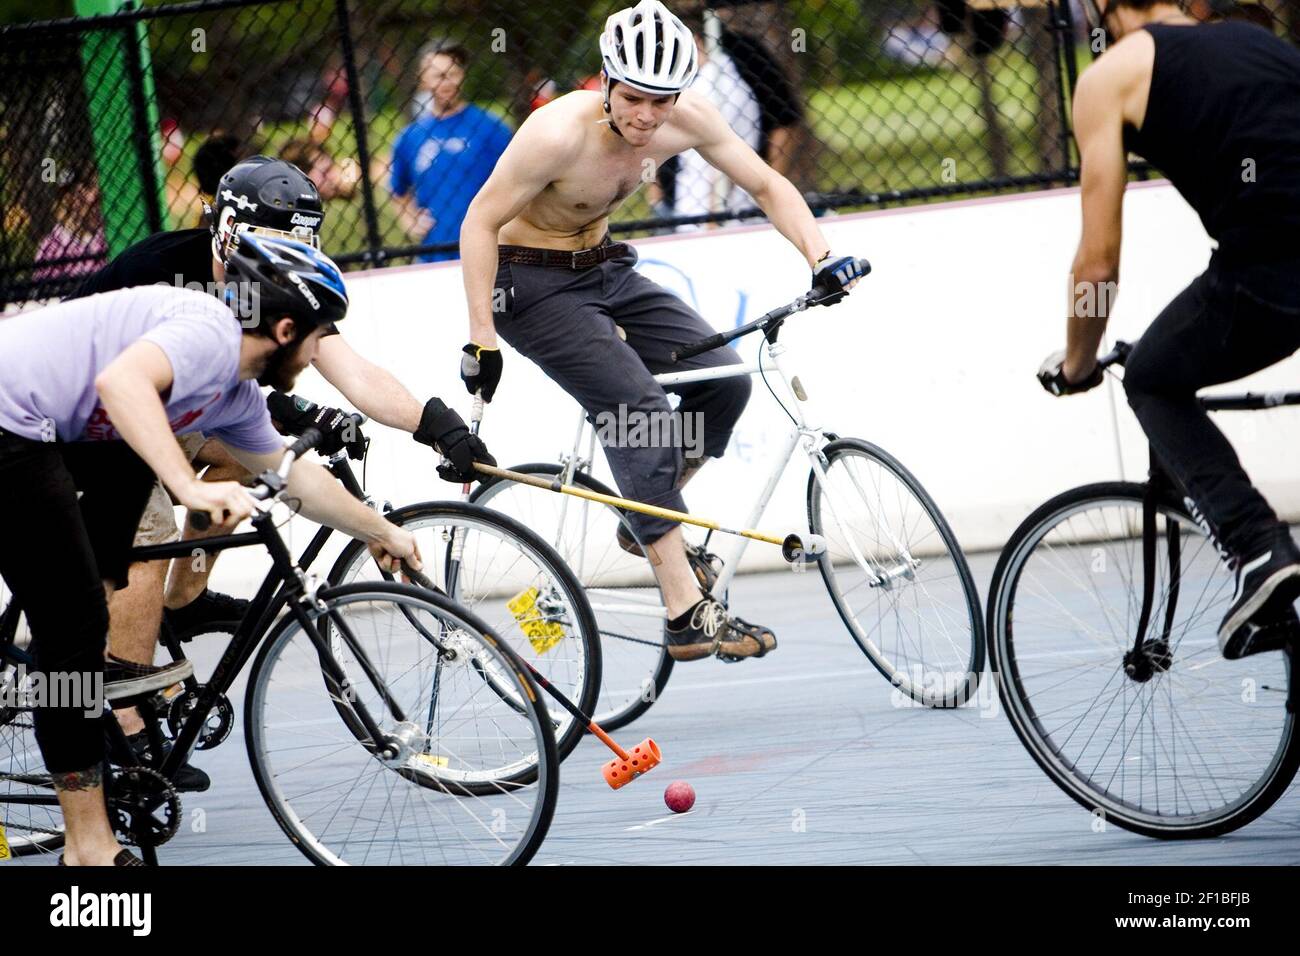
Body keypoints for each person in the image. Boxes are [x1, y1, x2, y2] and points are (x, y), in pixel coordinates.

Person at [458, 0, 867, 663]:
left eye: (663, 100)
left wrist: (821, 256)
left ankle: (645, 511)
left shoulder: (687, 120)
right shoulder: (556, 134)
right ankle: (683, 611)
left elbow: (765, 183)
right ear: (606, 81)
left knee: (726, 381)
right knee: (638, 409)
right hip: (528, 283)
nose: (647, 116)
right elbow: (478, 222)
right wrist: (481, 339)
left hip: (604, 270)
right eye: (635, 99)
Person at [69, 155, 492, 790]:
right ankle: (121, 722)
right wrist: (181, 480)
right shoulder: (162, 277)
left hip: (155, 413)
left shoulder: (274, 289)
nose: (288, 259)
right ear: (232, 234)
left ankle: (183, 599)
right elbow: (125, 393)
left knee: (253, 456)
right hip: (83, 412)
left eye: (301, 246)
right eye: (277, 245)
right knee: (147, 529)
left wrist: (434, 422)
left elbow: (349, 370)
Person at [0, 235, 422, 865]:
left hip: (46, 432)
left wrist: (378, 532)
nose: (315, 355)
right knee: (74, 634)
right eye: (316, 338)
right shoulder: (207, 331)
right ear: (284, 329)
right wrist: (188, 483)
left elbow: (293, 475)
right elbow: (123, 383)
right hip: (11, 427)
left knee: (95, 591)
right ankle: (87, 847)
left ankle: (90, 728)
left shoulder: (233, 392)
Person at [1037, 0, 1300, 659]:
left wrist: (1077, 362)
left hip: (1271, 272)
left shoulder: (1109, 78)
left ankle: (1258, 550)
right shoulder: (1257, 41)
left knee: (1153, 377)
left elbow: (1098, 261)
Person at [390, 41, 513, 262]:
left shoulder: (489, 127)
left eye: (453, 73)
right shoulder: (411, 136)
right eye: (438, 75)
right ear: (422, 80)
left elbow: (517, 182)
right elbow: (398, 191)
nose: (447, 82)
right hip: (433, 255)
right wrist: (410, 221)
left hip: (488, 251)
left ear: (462, 76)